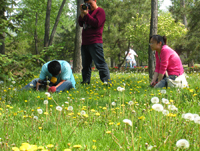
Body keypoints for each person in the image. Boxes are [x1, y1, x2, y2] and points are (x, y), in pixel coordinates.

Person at [78, 0, 111, 85]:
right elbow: (80, 23)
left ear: (95, 1)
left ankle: (106, 82)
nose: (89, 5)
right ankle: (85, 82)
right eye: (87, 4)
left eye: (90, 3)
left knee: (100, 63)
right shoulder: (87, 12)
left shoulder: (100, 11)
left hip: (95, 42)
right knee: (85, 65)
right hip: (85, 42)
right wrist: (82, 13)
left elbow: (96, 23)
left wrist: (86, 14)